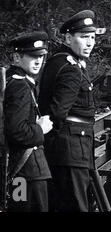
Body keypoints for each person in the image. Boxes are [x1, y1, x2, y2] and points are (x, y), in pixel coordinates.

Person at [38, 10, 97, 212]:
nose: (89, 43)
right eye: (83, 37)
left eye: (92, 37)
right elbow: (57, 113)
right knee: (77, 206)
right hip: (71, 147)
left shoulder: (60, 61)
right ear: (69, 38)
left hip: (68, 147)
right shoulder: (70, 67)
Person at [4, 32, 53, 212]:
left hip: (22, 172)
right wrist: (41, 129)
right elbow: (16, 131)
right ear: (17, 57)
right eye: (33, 56)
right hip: (29, 172)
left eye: (41, 56)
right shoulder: (20, 86)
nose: (38, 61)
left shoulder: (16, 81)